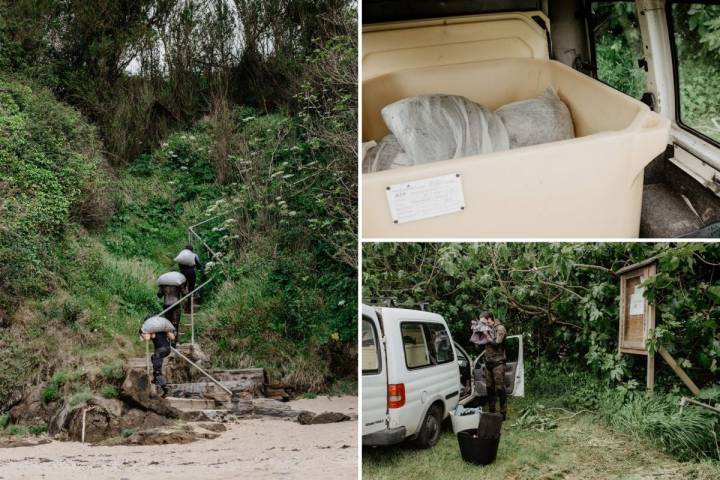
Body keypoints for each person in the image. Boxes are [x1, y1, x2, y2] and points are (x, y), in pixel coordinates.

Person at [480, 311, 508, 420]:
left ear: (489, 319)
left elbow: (497, 344)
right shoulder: (486, 329)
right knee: (489, 388)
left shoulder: (500, 328)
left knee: (500, 388)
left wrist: (486, 335)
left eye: (483, 321)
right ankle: (492, 411)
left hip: (498, 363)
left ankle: (503, 413)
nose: (482, 324)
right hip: (488, 363)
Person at [140, 316, 176, 396]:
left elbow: (147, 338)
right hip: (167, 349)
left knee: (157, 372)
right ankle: (156, 379)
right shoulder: (164, 330)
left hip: (160, 350)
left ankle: (166, 389)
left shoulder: (152, 331)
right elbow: (173, 337)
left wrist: (142, 333)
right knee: (153, 358)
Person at [158, 279, 186, 343]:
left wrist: (162, 288)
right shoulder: (178, 283)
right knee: (175, 324)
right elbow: (184, 293)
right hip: (176, 305)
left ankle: (168, 340)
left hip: (166, 305)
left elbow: (159, 295)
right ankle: (174, 340)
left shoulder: (163, 284)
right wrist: (181, 287)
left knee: (168, 323)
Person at [176, 245, 201, 313]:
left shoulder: (181, 255)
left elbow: (178, 263)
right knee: (191, 290)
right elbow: (199, 265)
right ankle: (188, 307)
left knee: (181, 288)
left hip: (182, 273)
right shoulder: (194, 255)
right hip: (191, 273)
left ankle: (181, 303)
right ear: (192, 250)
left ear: (185, 249)